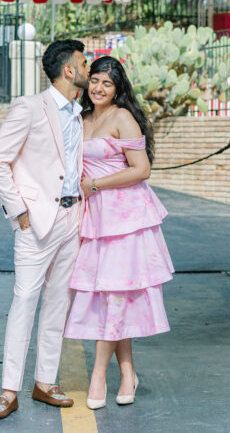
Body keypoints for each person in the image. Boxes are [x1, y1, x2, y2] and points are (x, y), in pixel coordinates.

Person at [0, 39, 90, 421]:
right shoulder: (29, 107)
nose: (87, 66)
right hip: (36, 223)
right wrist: (18, 211)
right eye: (83, 61)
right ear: (68, 70)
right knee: (24, 302)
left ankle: (45, 382)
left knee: (58, 305)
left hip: (72, 219)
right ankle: (8, 390)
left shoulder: (79, 111)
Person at [64, 56, 174, 409]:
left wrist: (95, 183)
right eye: (94, 80)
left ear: (117, 89)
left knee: (114, 296)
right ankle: (128, 372)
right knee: (111, 296)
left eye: (106, 84)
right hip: (93, 218)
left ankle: (99, 375)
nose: (98, 88)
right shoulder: (80, 119)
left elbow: (142, 170)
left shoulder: (123, 118)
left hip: (125, 218)